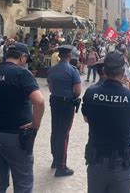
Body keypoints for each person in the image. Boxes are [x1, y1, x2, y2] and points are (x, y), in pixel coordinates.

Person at [0, 43, 45, 193]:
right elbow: (39, 101)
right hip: (14, 136)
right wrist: (35, 124)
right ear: (22, 57)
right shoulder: (22, 74)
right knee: (23, 182)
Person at [82, 51, 130, 193]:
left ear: (103, 71)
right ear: (123, 71)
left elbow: (86, 118)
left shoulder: (91, 93)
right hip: (122, 164)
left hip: (96, 161)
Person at [46, 45, 82, 177]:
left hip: (55, 101)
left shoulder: (51, 70)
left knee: (55, 130)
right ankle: (62, 166)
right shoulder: (73, 70)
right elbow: (78, 92)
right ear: (70, 56)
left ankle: (55, 160)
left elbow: (50, 89)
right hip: (67, 103)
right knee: (64, 133)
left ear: (59, 55)